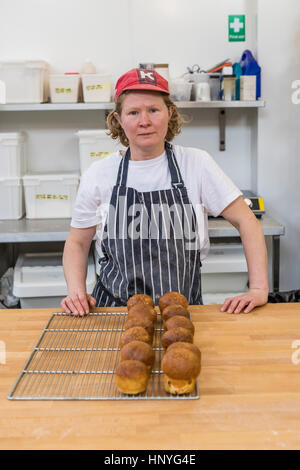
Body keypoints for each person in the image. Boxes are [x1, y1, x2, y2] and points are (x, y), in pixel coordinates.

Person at [61, 68, 268, 316]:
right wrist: (76, 291)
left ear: (169, 113)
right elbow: (77, 242)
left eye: (153, 110)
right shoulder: (99, 173)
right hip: (114, 315)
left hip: (180, 314)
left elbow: (248, 222)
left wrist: (258, 288)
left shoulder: (196, 164)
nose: (144, 121)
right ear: (118, 119)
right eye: (133, 112)